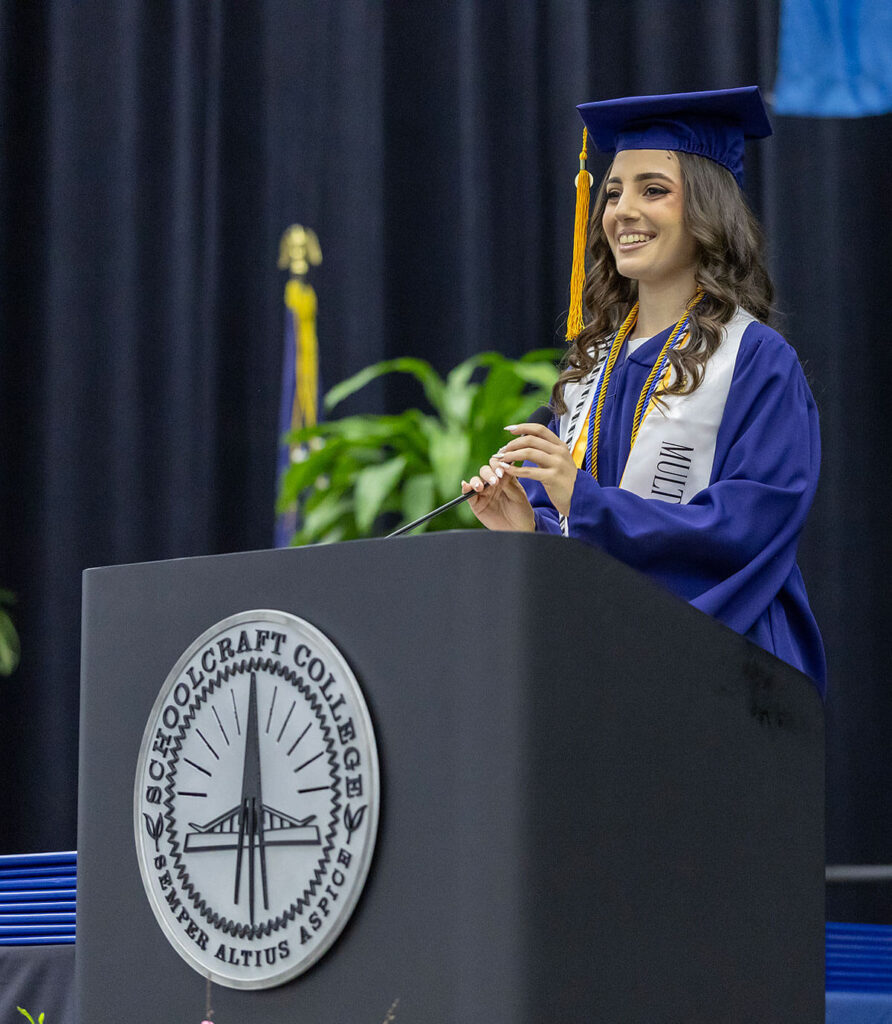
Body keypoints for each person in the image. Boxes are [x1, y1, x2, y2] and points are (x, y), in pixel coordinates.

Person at [461, 87, 826, 694]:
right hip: (610, 661)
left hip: (730, 671)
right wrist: (530, 527)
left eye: (653, 190)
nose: (622, 211)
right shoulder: (590, 367)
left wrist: (586, 503)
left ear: (706, 211)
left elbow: (747, 530)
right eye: (612, 193)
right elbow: (572, 527)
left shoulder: (757, 361)